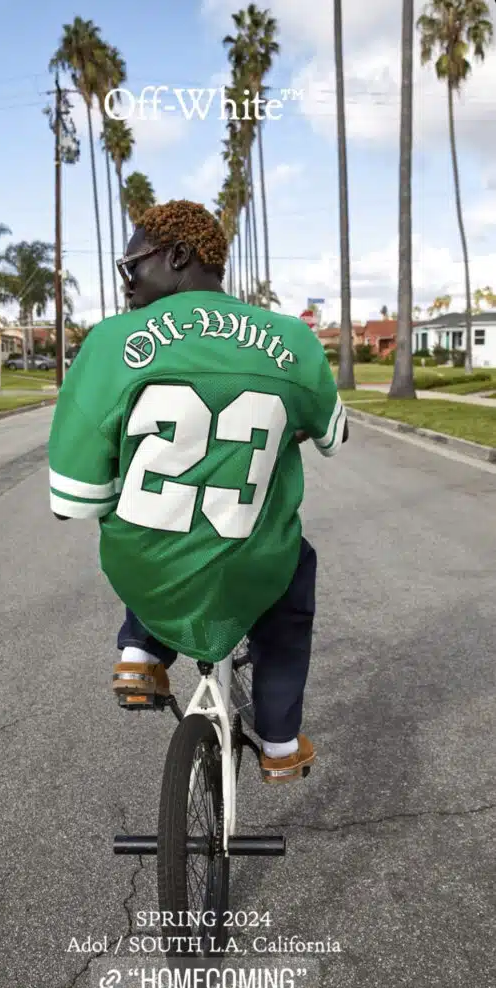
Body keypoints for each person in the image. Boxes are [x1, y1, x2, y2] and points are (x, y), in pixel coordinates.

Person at [48, 199, 348, 783]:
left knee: (147, 527)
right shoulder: (292, 338)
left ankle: (139, 653)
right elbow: (333, 435)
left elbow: (76, 500)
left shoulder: (111, 342)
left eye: (131, 264)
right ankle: (281, 742)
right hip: (250, 561)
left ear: (178, 256)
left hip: (149, 565)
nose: (127, 281)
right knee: (290, 579)